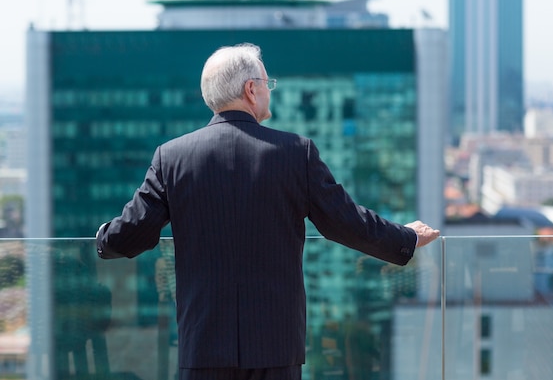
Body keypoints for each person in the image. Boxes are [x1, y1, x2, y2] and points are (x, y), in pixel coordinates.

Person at [96, 43, 440, 380]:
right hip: (276, 345)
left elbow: (128, 236)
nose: (268, 92)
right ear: (250, 90)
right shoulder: (295, 153)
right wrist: (406, 237)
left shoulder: (171, 157)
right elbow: (347, 223)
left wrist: (103, 237)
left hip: (203, 344)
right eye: (266, 84)